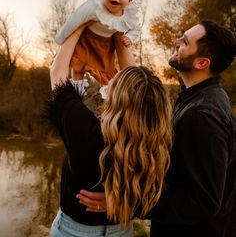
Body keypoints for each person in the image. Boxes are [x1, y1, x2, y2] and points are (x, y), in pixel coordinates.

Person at [77, 20, 236, 237]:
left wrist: (128, 202)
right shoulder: (197, 96)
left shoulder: (203, 116)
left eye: (185, 41)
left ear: (201, 63)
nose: (176, 41)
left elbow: (204, 202)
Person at [48, 24, 173, 237]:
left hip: (73, 232)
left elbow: (57, 74)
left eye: (115, 79)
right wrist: (117, 32)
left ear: (116, 96)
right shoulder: (155, 139)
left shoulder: (88, 134)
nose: (112, 75)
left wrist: (79, 27)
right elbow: (140, 91)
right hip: (121, 229)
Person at [54, 0, 143, 85]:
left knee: (107, 75)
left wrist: (129, 37)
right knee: (78, 67)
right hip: (86, 39)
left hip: (105, 46)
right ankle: (78, 91)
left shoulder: (128, 16)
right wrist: (60, 38)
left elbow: (136, 28)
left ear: (129, 1)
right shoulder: (94, 6)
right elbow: (75, 19)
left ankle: (111, 97)